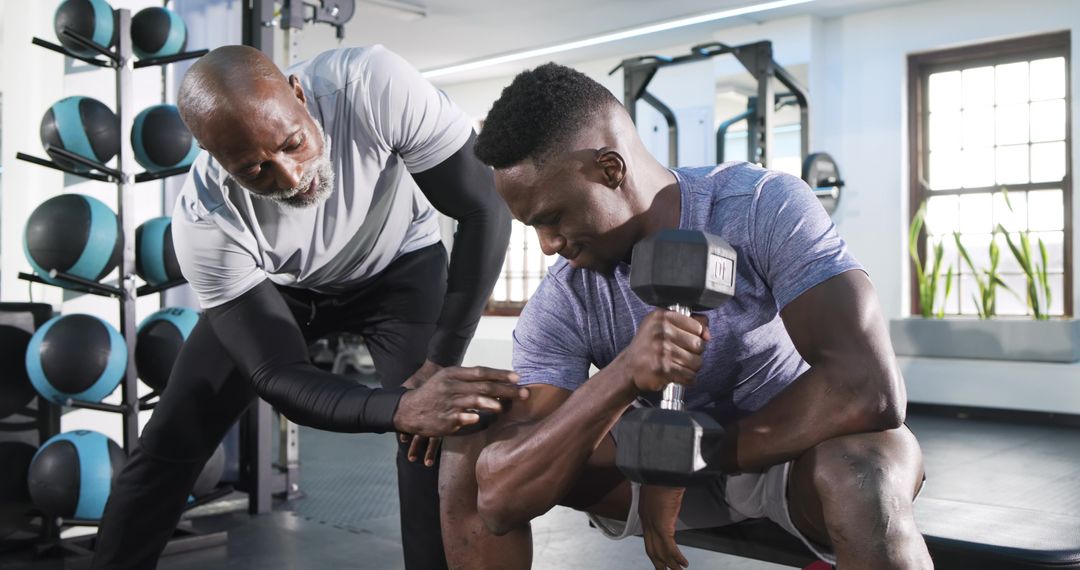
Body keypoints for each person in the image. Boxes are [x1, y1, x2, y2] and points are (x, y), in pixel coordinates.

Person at [439, 63, 932, 570]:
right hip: (650, 459)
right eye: (532, 227)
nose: (547, 246)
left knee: (862, 473)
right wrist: (625, 376)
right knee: (473, 443)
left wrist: (680, 459)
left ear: (611, 169)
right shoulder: (564, 297)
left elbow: (868, 388)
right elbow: (500, 496)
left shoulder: (761, 206)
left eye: (553, 217)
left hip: (792, 451)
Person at [92, 45, 526, 570]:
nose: (291, 176)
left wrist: (441, 361)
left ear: (299, 93)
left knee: (429, 444)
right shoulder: (206, 220)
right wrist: (396, 407)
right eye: (254, 169)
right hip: (277, 288)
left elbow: (483, 208)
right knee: (171, 436)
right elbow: (277, 375)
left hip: (398, 269)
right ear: (216, 160)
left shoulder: (370, 86)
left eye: (292, 143)